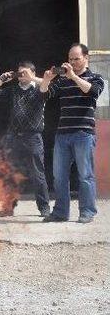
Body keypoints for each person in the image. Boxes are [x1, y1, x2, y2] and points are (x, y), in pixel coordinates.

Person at [40, 43, 104, 224]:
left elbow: (91, 91)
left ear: (86, 58)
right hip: (62, 134)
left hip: (84, 134)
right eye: (70, 59)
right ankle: (60, 212)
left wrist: (74, 76)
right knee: (59, 176)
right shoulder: (62, 80)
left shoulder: (95, 77)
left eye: (76, 59)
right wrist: (46, 79)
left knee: (85, 175)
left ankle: (87, 212)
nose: (72, 62)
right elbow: (45, 94)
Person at [0, 61, 50, 217]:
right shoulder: (13, 90)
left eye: (24, 73)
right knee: (10, 173)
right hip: (14, 137)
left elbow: (48, 86)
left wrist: (34, 78)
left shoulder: (40, 89)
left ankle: (44, 208)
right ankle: (8, 208)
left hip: (33, 137)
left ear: (32, 73)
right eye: (19, 73)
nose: (20, 75)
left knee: (38, 173)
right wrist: (1, 80)